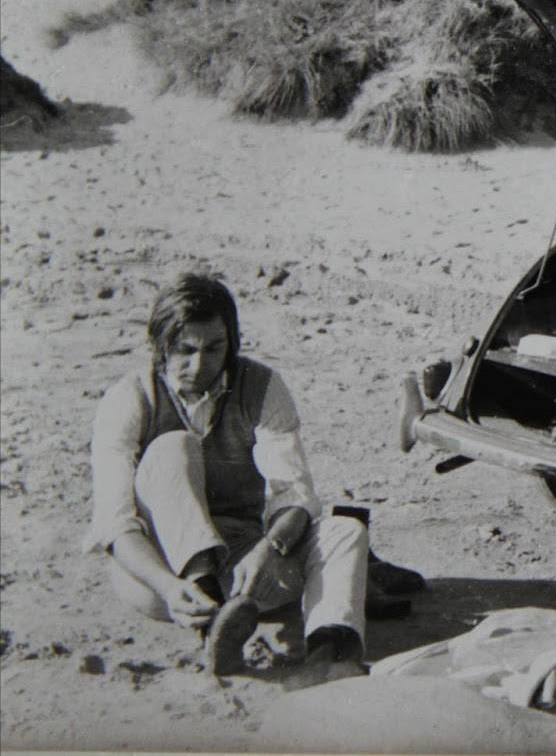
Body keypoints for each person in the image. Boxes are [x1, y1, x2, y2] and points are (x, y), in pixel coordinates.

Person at [86, 272, 368, 684]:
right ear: (160, 347)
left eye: (214, 348)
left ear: (231, 342)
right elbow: (115, 523)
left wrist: (270, 547)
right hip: (162, 576)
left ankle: (329, 653)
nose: (200, 365)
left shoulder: (261, 386)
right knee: (174, 447)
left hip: (246, 569)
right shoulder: (130, 398)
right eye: (185, 350)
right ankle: (210, 621)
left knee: (345, 530)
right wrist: (167, 587)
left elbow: (294, 492)